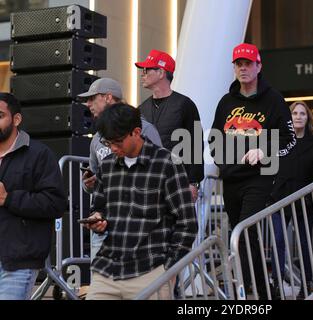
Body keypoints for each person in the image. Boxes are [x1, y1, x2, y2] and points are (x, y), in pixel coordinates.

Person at [82, 103, 198, 300]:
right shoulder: (107, 165)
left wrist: (168, 269)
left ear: (136, 132)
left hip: (151, 270)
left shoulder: (168, 162)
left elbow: (187, 223)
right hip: (107, 269)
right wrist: (98, 220)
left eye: (118, 142)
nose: (113, 148)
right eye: (108, 142)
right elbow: (100, 208)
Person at [209, 43, 296, 299]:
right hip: (231, 179)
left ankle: (253, 290)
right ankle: (264, 290)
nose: (243, 68)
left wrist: (265, 151)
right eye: (239, 64)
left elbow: (288, 139)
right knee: (246, 239)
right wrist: (223, 160)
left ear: (259, 66)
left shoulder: (274, 99)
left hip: (260, 178)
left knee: (245, 233)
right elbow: (214, 138)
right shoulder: (226, 102)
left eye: (248, 63)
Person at [77, 78, 162, 261]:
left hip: (139, 227)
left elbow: (158, 172)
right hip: (104, 224)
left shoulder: (144, 129)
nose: (88, 104)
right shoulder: (96, 139)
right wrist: (88, 183)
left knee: (140, 285)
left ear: (108, 97)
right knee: (102, 281)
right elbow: (94, 182)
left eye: (92, 98)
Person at [0, 93, 66, 300]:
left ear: (16, 119)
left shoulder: (38, 154)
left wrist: (8, 198)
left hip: (17, 263)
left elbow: (55, 203)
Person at [135, 50, 204, 202]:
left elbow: (196, 144)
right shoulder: (141, 109)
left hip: (177, 181)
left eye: (146, 70)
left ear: (161, 72)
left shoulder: (185, 105)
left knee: (179, 224)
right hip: (147, 182)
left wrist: (193, 182)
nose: (142, 74)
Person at [270, 101, 313, 299]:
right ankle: (276, 283)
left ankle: (307, 283)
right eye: (294, 113)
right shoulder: (281, 141)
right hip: (279, 198)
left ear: (308, 118)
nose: (298, 116)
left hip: (304, 199)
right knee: (278, 240)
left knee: (305, 242)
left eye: (302, 113)